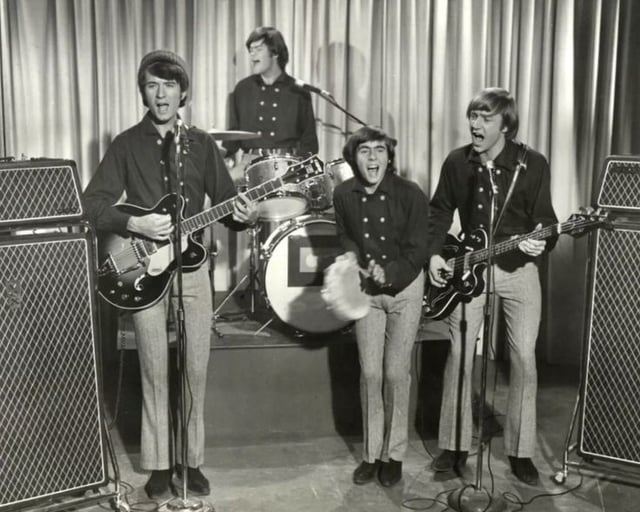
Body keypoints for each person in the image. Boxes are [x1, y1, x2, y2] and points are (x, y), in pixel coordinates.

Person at [83, 50, 257, 500]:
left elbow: (227, 205)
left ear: (183, 93)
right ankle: (159, 466)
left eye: (169, 85)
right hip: (143, 273)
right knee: (154, 371)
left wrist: (244, 214)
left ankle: (190, 461)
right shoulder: (126, 144)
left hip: (193, 272)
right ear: (143, 92)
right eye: (152, 85)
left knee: (195, 370)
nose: (161, 95)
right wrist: (134, 223)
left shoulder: (201, 144)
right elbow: (92, 203)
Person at [426, 87, 558, 485]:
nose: (475, 125)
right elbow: (439, 211)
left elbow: (547, 221)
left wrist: (541, 241)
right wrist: (433, 255)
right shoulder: (458, 162)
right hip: (470, 267)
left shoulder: (532, 163)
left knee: (523, 360)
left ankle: (520, 451)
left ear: (506, 125)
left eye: (485, 118)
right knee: (460, 354)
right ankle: (454, 446)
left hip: (519, 269)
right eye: (473, 116)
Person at [332, 126, 430, 487]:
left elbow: (419, 249)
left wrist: (389, 273)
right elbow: (344, 234)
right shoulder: (343, 194)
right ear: (352, 158)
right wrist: (351, 256)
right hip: (367, 291)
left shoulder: (411, 193)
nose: (372, 158)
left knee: (395, 374)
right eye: (364, 151)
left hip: (405, 287)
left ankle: (394, 455)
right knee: (371, 373)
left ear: (389, 158)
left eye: (379, 151)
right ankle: (372, 454)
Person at [222, 26, 319, 178]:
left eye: (258, 49)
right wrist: (217, 154)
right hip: (249, 165)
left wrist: (298, 172)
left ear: (275, 52)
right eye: (250, 50)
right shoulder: (242, 89)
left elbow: (309, 143)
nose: (252, 54)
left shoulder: (298, 91)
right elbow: (232, 140)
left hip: (288, 166)